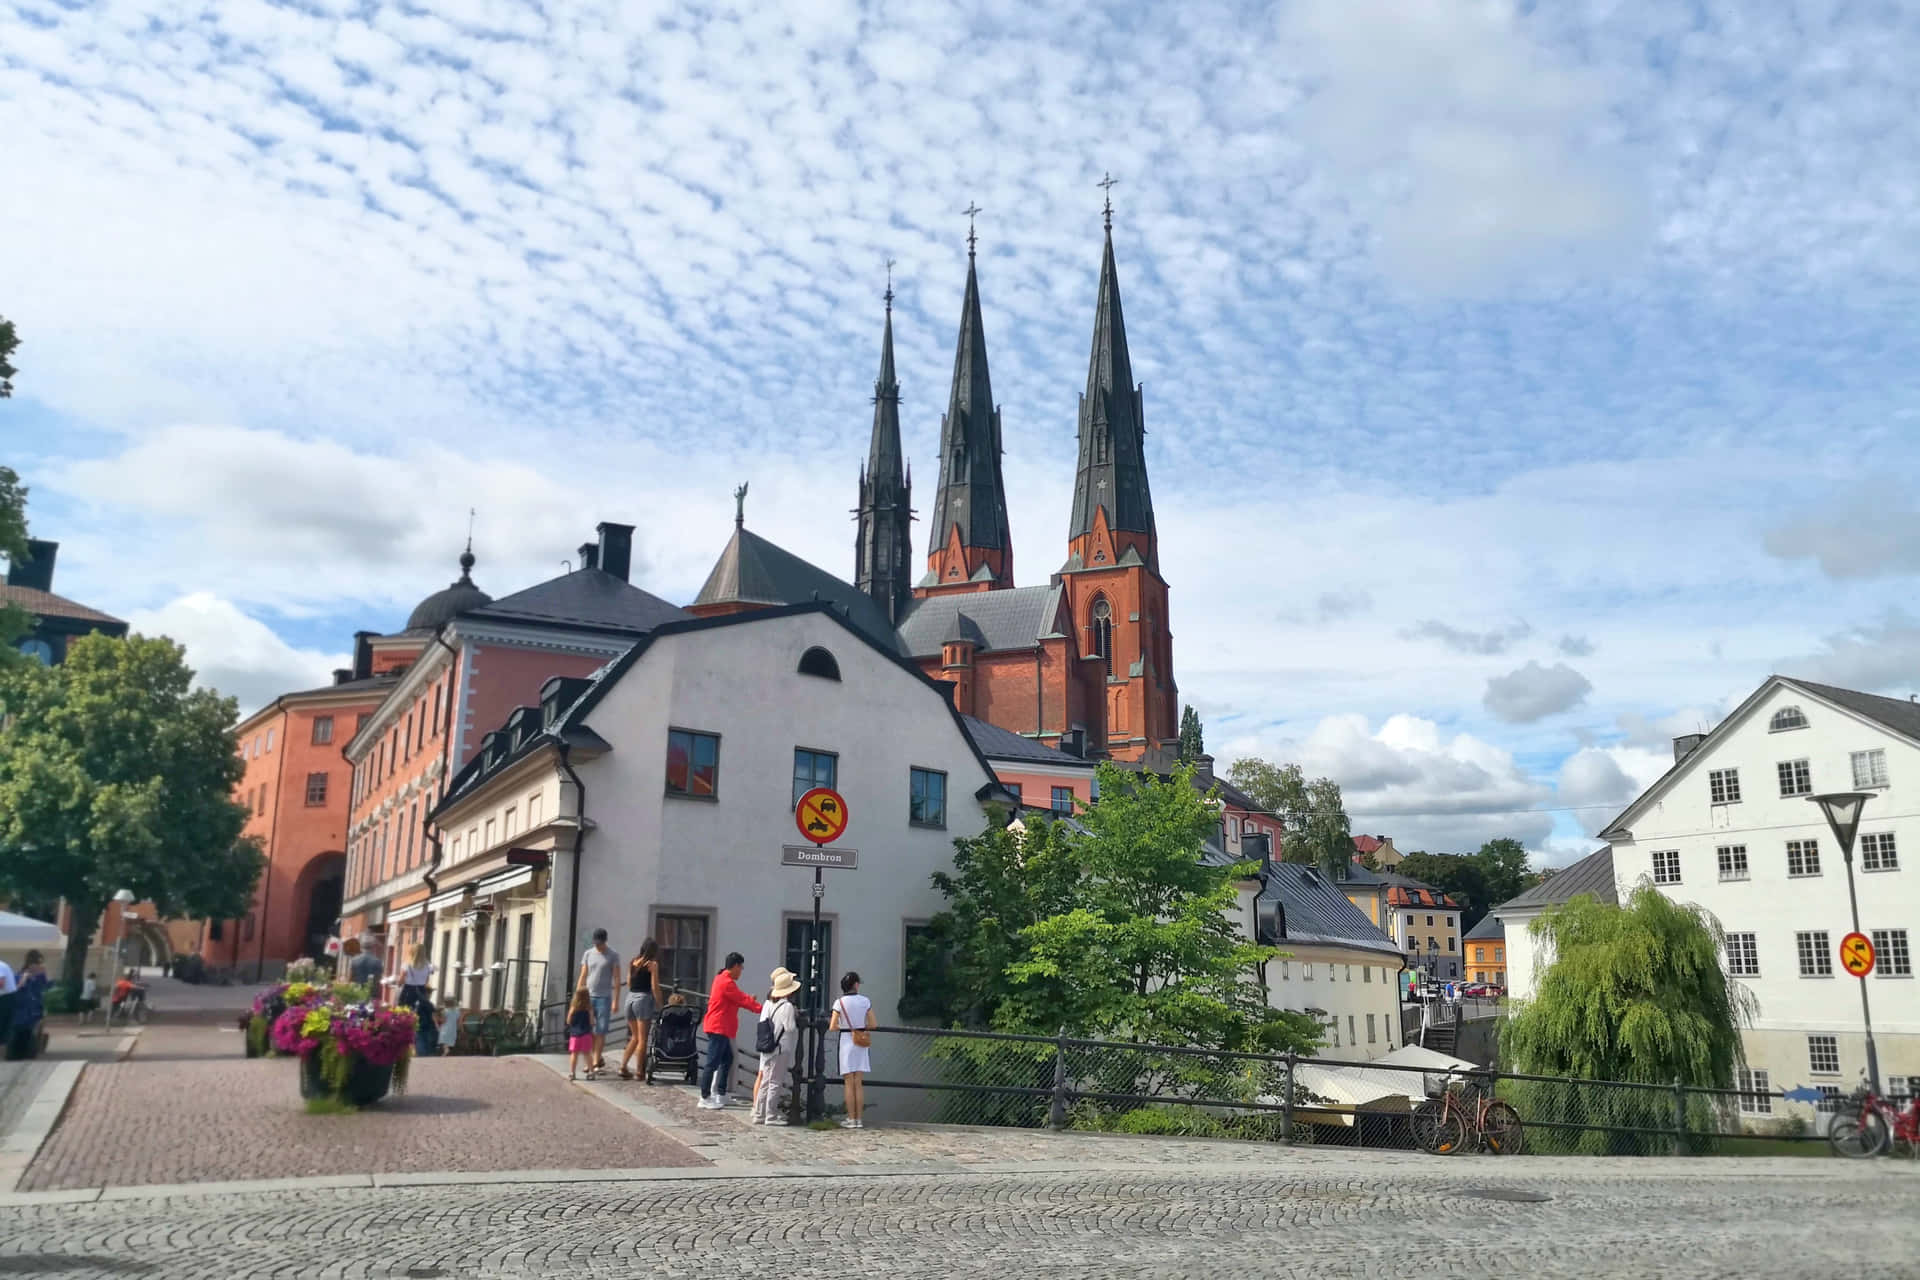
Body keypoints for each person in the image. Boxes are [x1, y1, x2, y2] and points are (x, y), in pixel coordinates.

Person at [698, 952, 761, 1109]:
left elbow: (738, 997)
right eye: (741, 967)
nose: (742, 970)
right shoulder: (727, 982)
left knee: (727, 1060)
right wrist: (763, 1009)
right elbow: (741, 999)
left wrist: (749, 1000)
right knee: (712, 1062)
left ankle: (720, 1093)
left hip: (720, 1026)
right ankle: (704, 1097)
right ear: (735, 967)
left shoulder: (721, 978)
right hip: (719, 1027)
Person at [751, 968, 802, 1126]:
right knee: (775, 1082)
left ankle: (759, 1113)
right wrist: (795, 1014)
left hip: (767, 1047)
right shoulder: (786, 1006)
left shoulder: (769, 1003)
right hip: (780, 1048)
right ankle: (770, 1116)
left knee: (765, 1081)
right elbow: (790, 1028)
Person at [828, 971, 875, 1129]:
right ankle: (859, 1119)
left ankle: (851, 1118)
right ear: (855, 985)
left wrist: (846, 1026)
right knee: (858, 1082)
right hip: (860, 1040)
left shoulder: (839, 1003)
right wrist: (860, 1027)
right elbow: (873, 1023)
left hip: (847, 1040)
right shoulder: (865, 1001)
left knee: (849, 1082)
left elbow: (833, 1026)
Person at [575, 928, 622, 1076]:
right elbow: (583, 974)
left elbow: (616, 978)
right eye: (596, 943)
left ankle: (595, 1062)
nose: (598, 946)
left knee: (601, 1029)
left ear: (605, 941)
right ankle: (590, 1060)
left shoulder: (613, 955)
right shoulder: (588, 953)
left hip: (604, 997)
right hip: (588, 996)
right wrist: (578, 995)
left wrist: (615, 1000)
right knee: (588, 1030)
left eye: (600, 943)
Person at [618, 938, 663, 1081]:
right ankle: (639, 1072)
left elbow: (630, 982)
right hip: (643, 1000)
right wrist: (660, 1003)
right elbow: (654, 986)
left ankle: (623, 1067)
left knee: (634, 1037)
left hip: (630, 999)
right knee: (643, 1039)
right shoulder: (652, 964)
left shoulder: (633, 962)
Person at [5, 950, 48, 1060]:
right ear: (31, 964)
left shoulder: (38, 978)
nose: (39, 967)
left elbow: (43, 990)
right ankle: (14, 1055)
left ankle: (28, 1055)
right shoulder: (18, 976)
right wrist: (23, 979)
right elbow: (13, 990)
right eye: (38, 964)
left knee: (30, 1036)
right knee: (17, 1034)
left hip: (33, 1013)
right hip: (20, 1012)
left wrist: (43, 973)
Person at [398, 944, 437, 1057]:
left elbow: (400, 981)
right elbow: (426, 981)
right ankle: (420, 1047)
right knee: (422, 1019)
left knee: (403, 1018)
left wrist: (398, 983)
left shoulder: (407, 965)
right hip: (422, 993)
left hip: (408, 992)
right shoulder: (428, 966)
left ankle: (406, 1046)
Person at [564, 987, 595, 1081]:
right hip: (586, 1033)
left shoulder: (573, 1007)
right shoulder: (589, 1008)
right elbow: (592, 1021)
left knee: (574, 1054)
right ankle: (591, 1072)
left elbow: (568, 1021)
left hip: (575, 1034)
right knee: (587, 1054)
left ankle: (572, 1073)